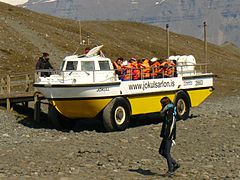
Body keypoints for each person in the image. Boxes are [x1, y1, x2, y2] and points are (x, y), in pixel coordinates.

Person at [159, 97, 180, 177]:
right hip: (166, 134)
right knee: (161, 151)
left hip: (169, 135)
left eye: (162, 104)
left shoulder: (170, 111)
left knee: (166, 152)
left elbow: (171, 123)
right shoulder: (170, 109)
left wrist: (169, 135)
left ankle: (171, 170)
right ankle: (175, 164)